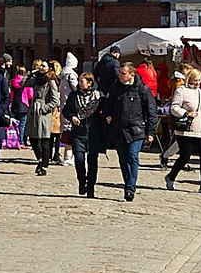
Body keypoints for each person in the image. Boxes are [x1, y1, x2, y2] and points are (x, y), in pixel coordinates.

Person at [101, 54, 159, 202]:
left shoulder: (142, 90)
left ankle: (130, 188)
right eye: (120, 72)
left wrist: (151, 131)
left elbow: (151, 111)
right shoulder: (115, 87)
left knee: (133, 157)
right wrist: (108, 115)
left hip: (136, 130)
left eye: (123, 73)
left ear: (131, 75)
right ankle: (127, 182)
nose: (120, 75)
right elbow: (107, 104)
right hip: (119, 129)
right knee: (123, 159)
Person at [165, 66, 201, 192]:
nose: (198, 83)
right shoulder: (181, 91)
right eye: (195, 80)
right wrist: (186, 113)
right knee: (184, 157)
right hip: (186, 131)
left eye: (199, 80)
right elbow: (174, 108)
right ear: (189, 79)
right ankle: (171, 177)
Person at [66, 66, 106, 197]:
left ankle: (91, 187)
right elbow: (66, 110)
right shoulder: (74, 96)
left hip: (94, 132)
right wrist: (72, 117)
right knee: (79, 158)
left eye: (82, 81)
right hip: (78, 132)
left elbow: (106, 109)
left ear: (90, 83)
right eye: (79, 81)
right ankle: (82, 181)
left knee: (93, 161)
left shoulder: (99, 96)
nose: (79, 83)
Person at [28, 62, 63, 176]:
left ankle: (44, 165)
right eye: (40, 66)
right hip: (33, 112)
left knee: (44, 139)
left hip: (43, 114)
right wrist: (31, 73)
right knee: (32, 138)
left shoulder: (51, 82)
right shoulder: (36, 79)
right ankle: (40, 159)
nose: (41, 68)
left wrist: (44, 108)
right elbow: (23, 84)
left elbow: (55, 100)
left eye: (43, 66)